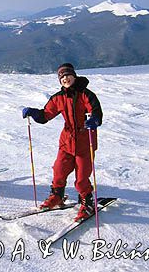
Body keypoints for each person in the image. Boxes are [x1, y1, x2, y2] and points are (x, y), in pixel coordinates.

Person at [22, 63, 103, 221]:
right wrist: (33, 112)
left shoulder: (86, 94)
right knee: (59, 169)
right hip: (66, 141)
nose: (65, 78)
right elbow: (46, 115)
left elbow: (96, 111)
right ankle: (57, 196)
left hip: (85, 142)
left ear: (74, 76)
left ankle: (87, 202)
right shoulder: (58, 98)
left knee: (81, 178)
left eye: (68, 75)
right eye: (62, 77)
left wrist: (94, 120)